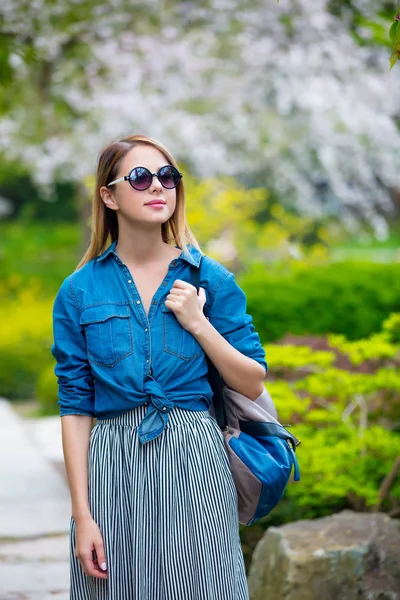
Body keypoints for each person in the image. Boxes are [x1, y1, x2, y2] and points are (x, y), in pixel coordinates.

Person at [51, 133, 268, 600]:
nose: (158, 187)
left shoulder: (210, 277)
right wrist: (82, 516)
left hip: (195, 457)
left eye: (168, 177)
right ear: (108, 195)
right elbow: (74, 404)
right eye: (141, 177)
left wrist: (198, 322)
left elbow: (251, 382)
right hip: (112, 462)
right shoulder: (78, 290)